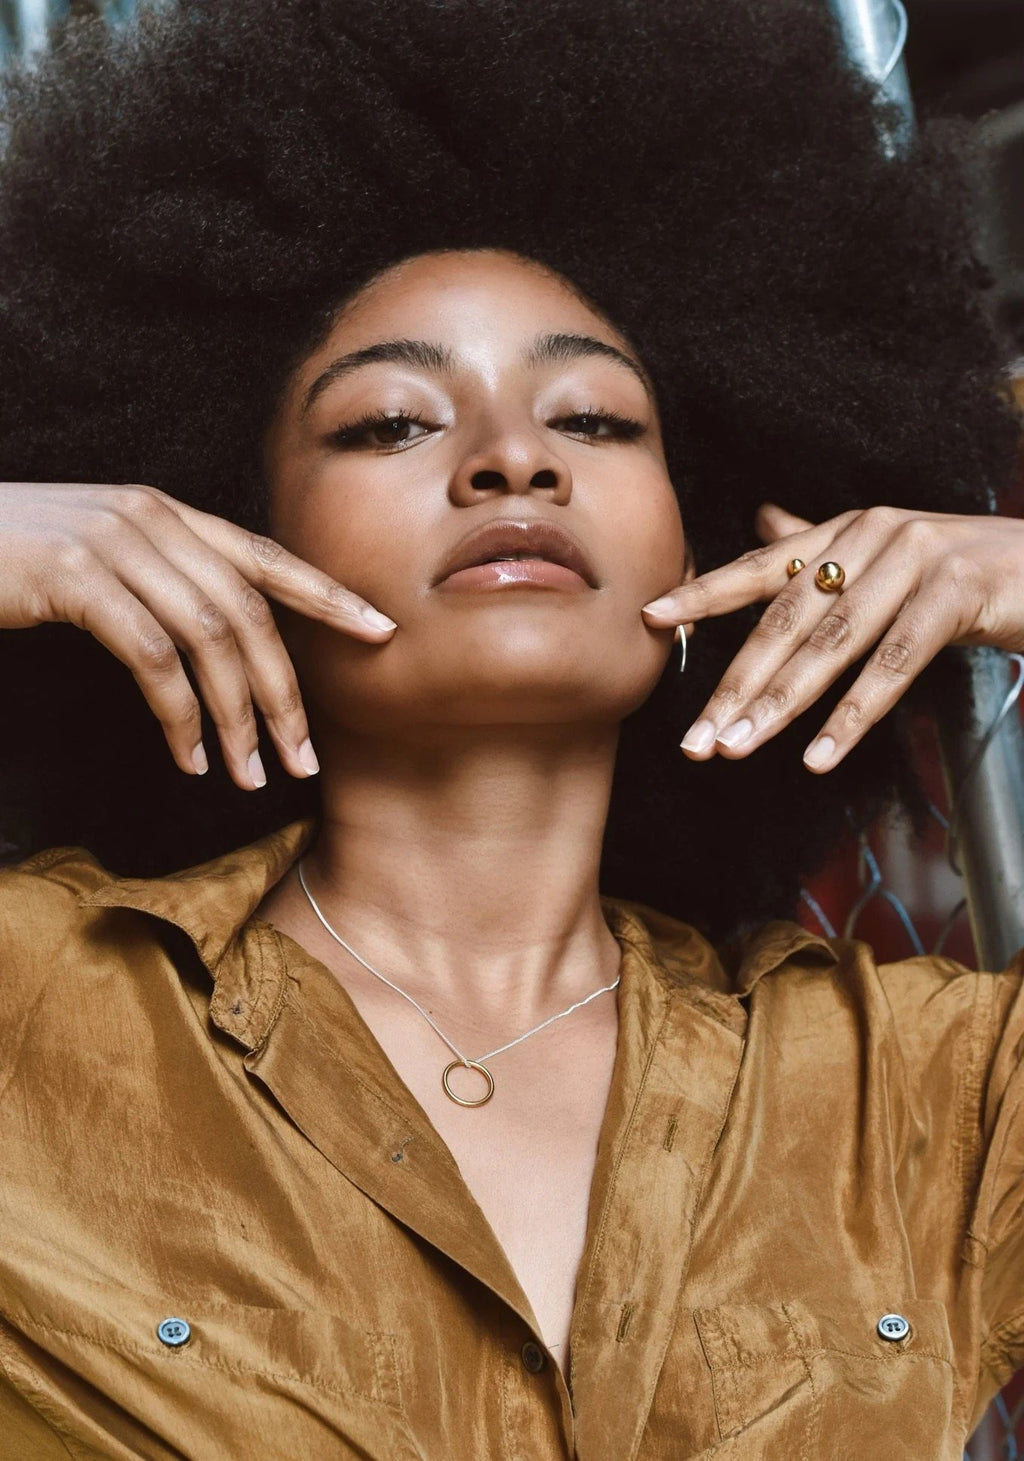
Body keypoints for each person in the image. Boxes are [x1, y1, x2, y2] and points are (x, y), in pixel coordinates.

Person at [0, 0, 1022, 1456]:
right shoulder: (37, 1000)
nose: (513, 459)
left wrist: (1006, 571)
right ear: (223, 539)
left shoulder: (916, 1095)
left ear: (699, 546)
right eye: (390, 423)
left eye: (595, 420)